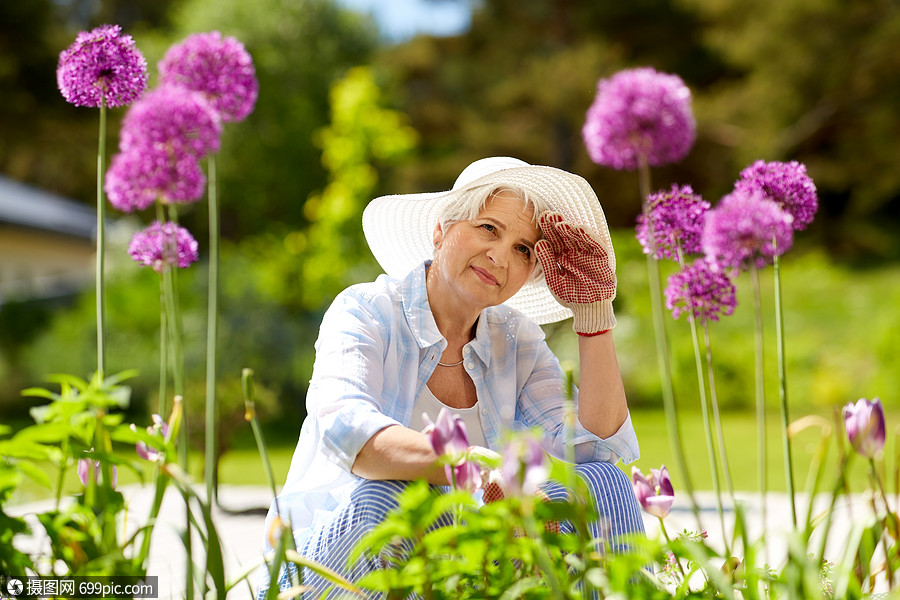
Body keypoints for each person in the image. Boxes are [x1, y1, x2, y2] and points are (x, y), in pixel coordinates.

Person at [255, 156, 644, 597]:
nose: (500, 256)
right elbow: (348, 431)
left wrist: (594, 315)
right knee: (393, 499)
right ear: (441, 231)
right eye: (488, 228)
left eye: (523, 249)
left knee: (603, 483)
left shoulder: (516, 340)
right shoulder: (366, 310)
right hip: (322, 565)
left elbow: (596, 449)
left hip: (464, 561)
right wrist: (474, 467)